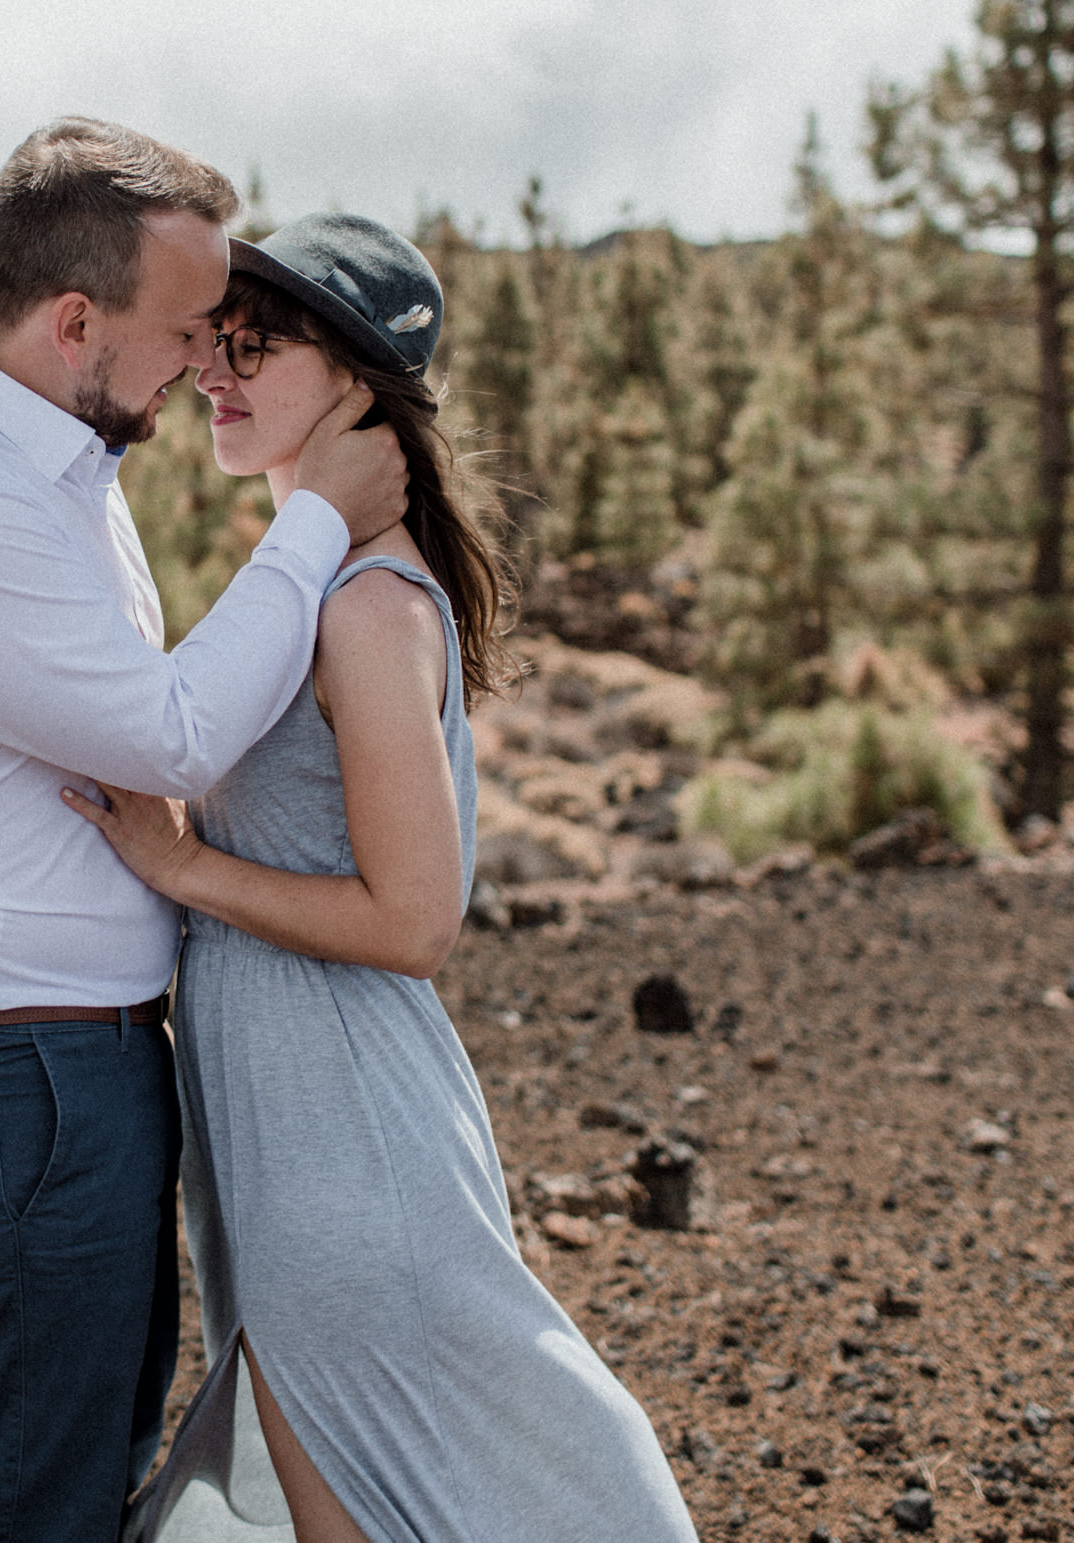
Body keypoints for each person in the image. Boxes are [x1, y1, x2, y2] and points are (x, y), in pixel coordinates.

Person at [65, 211, 702, 1543]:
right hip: (294, 1123)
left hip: (340, 1139)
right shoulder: (324, 581)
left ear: (359, 378)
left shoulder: (365, 607)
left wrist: (183, 868)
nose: (217, 371)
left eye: (258, 344)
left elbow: (416, 920)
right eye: (215, 341)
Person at [0, 120, 411, 1543]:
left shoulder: (64, 470)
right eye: (188, 330)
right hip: (2, 1073)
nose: (206, 364)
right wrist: (320, 521)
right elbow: (167, 737)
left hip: (52, 1062)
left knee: (78, 1490)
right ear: (75, 319)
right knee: (33, 1512)